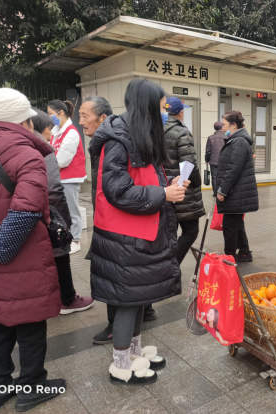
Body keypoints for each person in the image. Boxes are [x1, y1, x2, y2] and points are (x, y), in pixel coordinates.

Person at [89, 78, 189, 385]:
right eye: (160, 106)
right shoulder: (118, 140)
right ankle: (121, 364)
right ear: (146, 106)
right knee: (128, 302)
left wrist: (167, 188)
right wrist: (163, 195)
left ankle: (134, 352)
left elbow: (143, 180)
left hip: (138, 232)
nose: (165, 112)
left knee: (137, 299)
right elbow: (118, 190)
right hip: (125, 237)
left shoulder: (137, 135)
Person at [0, 88, 65, 412]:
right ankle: (32, 387)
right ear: (24, 120)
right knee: (30, 325)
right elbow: (27, 211)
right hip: (19, 258)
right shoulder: (26, 154)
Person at [81, 97, 158, 345]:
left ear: (102, 118)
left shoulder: (113, 141)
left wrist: (165, 192)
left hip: (121, 226)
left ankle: (123, 338)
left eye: (85, 116)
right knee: (122, 283)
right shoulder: (109, 141)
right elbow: (118, 190)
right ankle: (124, 354)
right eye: (80, 115)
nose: (81, 121)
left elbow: (122, 190)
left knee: (124, 285)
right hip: (113, 223)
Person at [31, 109, 94, 314]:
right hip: (46, 211)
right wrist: (62, 223)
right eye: (49, 128)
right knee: (59, 254)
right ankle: (67, 299)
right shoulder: (42, 147)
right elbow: (53, 190)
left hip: (27, 212)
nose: (51, 132)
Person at [163, 97, 205, 264]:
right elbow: (189, 164)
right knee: (190, 232)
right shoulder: (181, 132)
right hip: (182, 189)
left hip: (163, 189)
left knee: (169, 233)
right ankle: (171, 265)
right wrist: (197, 182)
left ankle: (164, 265)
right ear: (180, 113)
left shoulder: (154, 130)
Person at [217, 110, 259, 262]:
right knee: (237, 224)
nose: (222, 127)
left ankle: (229, 257)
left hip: (235, 193)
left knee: (230, 226)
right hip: (237, 192)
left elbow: (233, 168)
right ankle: (245, 252)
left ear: (234, 125)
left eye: (225, 124)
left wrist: (223, 190)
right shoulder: (236, 139)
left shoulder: (239, 141)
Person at [47, 99, 87, 254]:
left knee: (72, 210)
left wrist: (48, 168)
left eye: (51, 113)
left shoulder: (71, 132)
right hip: (59, 178)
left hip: (69, 179)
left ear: (60, 113)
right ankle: (66, 237)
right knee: (62, 211)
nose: (50, 116)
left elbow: (61, 160)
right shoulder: (56, 132)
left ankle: (76, 240)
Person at [205, 121, 226, 197]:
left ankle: (215, 193)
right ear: (222, 127)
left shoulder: (210, 138)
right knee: (224, 176)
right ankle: (223, 192)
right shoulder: (226, 137)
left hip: (213, 161)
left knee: (214, 177)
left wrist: (207, 160)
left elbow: (208, 151)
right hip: (224, 161)